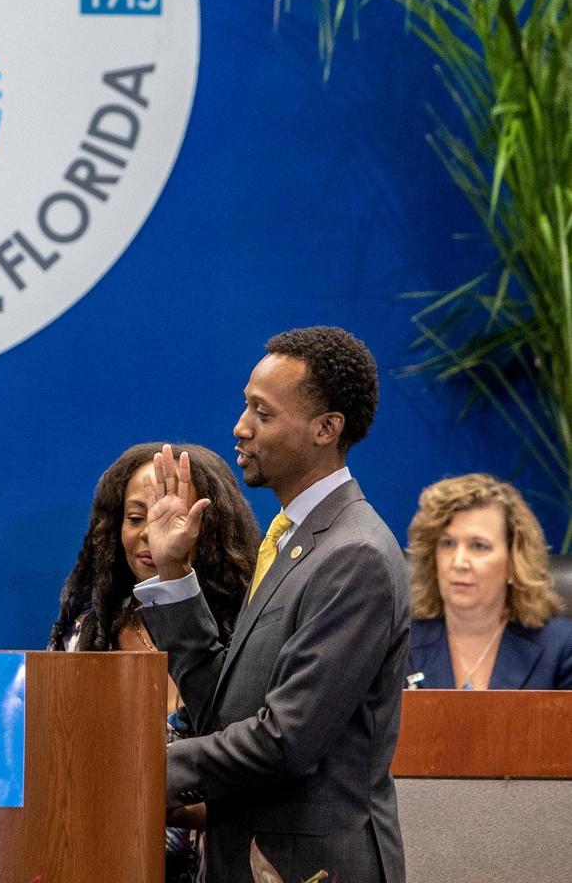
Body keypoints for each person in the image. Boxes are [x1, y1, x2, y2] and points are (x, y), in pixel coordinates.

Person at [138, 327, 410, 883]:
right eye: (246, 406)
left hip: (312, 868)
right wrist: (173, 574)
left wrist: (144, 769)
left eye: (262, 413)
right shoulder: (294, 539)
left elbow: (285, 741)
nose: (240, 428)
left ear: (325, 429)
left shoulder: (354, 554)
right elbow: (226, 712)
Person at [50, 441, 260, 883]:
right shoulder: (87, 637)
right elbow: (56, 772)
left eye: (172, 516)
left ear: (212, 527)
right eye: (135, 517)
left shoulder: (249, 634)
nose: (150, 534)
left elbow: (261, 777)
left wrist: (151, 797)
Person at [405, 473, 572, 690]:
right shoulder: (401, 644)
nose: (458, 562)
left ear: (514, 563)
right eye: (447, 543)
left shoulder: (560, 648)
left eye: (478, 546)